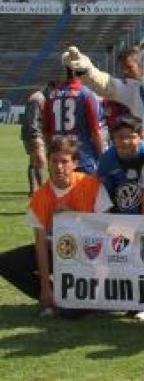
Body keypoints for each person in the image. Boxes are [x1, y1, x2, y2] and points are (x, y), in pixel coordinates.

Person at [0, 136, 112, 317]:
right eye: (54, 161)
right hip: (57, 251)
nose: (59, 167)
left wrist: (73, 217)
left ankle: (90, 298)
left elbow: (105, 230)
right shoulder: (40, 197)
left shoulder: (92, 186)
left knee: (71, 315)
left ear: (75, 163)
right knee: (6, 262)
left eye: (64, 161)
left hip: (90, 253)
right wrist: (45, 287)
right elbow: (40, 244)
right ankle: (52, 297)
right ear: (48, 161)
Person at [43, 69, 105, 175]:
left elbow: (46, 131)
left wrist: (52, 152)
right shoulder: (86, 94)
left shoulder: (52, 95)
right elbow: (96, 131)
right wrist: (103, 157)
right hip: (83, 158)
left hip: (59, 159)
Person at [97, 115, 144, 216]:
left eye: (131, 137)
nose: (125, 142)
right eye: (120, 137)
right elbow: (103, 199)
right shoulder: (106, 161)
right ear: (112, 138)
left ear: (141, 137)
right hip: (119, 220)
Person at [21, 87, 48, 195]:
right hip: (34, 134)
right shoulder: (38, 99)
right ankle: (42, 189)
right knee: (41, 161)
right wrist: (36, 135)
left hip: (31, 134)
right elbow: (33, 121)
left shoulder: (38, 98)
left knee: (33, 161)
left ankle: (33, 190)